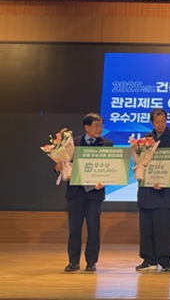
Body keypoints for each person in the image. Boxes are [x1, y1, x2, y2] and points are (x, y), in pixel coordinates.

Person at [56, 113, 113, 272]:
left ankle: (91, 262)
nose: (99, 129)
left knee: (94, 229)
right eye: (96, 126)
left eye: (101, 125)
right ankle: (73, 262)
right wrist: (58, 168)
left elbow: (110, 167)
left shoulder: (107, 144)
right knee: (74, 229)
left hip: (95, 193)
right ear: (86, 127)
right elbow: (64, 165)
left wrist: (104, 180)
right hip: (75, 193)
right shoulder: (72, 143)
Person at [136, 108, 170, 272]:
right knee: (146, 226)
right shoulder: (145, 139)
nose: (161, 125)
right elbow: (140, 162)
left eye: (163, 121)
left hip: (164, 189)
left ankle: (165, 260)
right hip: (147, 190)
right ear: (152, 122)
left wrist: (161, 180)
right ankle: (148, 259)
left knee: (164, 227)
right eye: (157, 122)